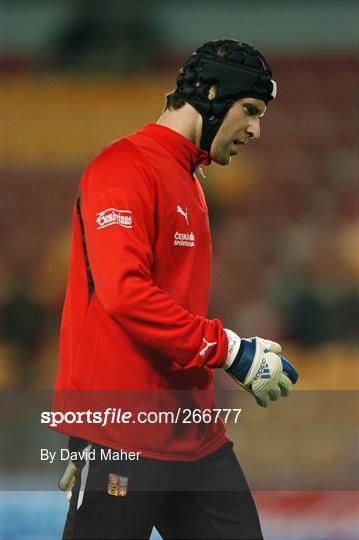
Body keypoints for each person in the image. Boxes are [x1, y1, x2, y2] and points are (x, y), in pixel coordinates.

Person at [54, 39, 298, 540]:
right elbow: (123, 293)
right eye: (249, 110)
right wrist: (229, 349)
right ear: (209, 93)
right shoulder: (123, 168)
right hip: (120, 431)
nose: (255, 129)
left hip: (193, 433)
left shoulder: (189, 177)